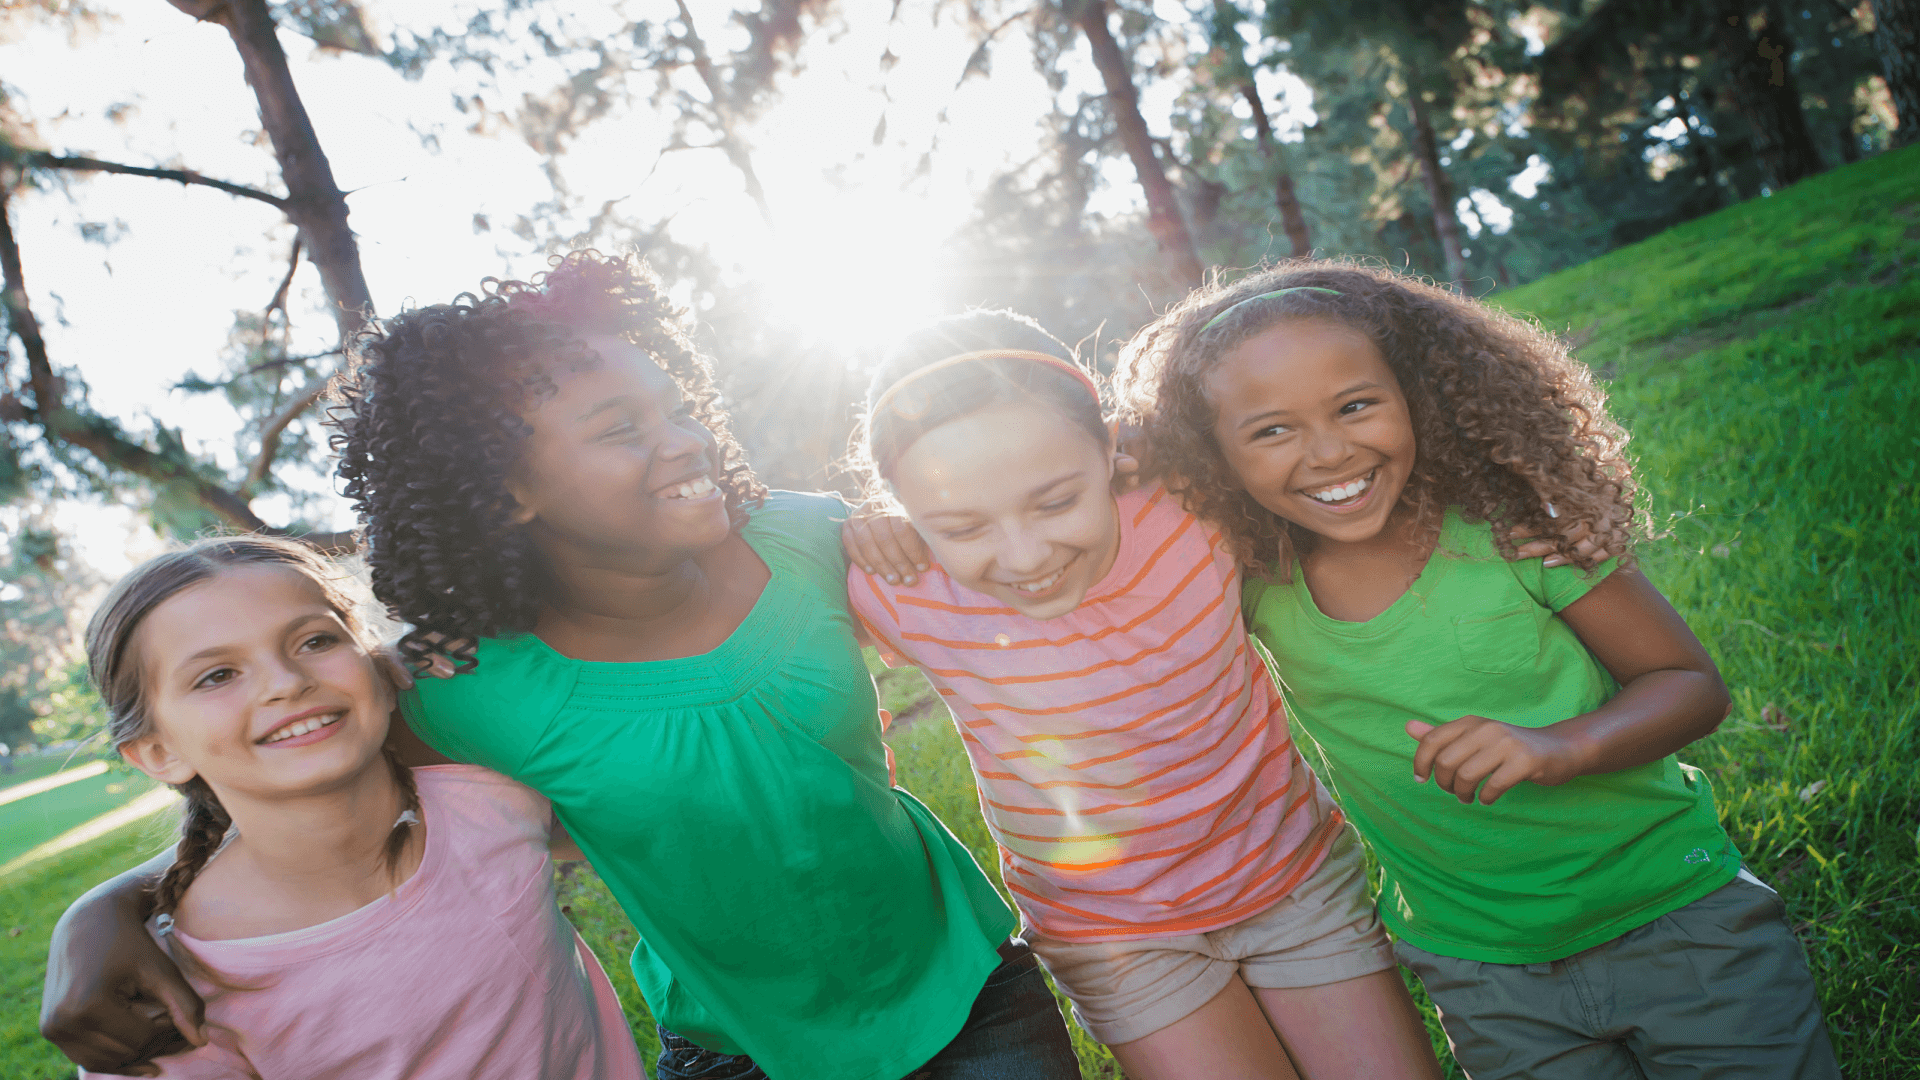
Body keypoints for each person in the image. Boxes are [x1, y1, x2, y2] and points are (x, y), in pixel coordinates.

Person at [41, 252, 1082, 1080]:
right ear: (504, 496)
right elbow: (303, 785)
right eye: (621, 429)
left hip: (967, 991)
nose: (684, 442)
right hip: (737, 1048)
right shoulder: (460, 684)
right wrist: (113, 909)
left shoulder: (809, 543)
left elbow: (1026, 533)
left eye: (678, 409)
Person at [1110, 261, 1839, 1079]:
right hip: (1480, 966)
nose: (1328, 451)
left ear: (1417, 395)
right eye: (1270, 430)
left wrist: (1563, 747)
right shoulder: (1257, 579)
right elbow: (1098, 534)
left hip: (1677, 920)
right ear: (1212, 456)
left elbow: (1689, 686)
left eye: (1356, 406)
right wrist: (1124, 454)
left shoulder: (1516, 531)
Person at [840, 310, 1445, 1080]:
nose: (1026, 556)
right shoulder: (902, 585)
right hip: (1115, 934)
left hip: (1291, 878)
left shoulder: (1194, 504)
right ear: (905, 511)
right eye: (961, 526)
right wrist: (849, 529)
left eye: (1057, 502)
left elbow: (1300, 431)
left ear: (1110, 447)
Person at [68, 535, 644, 1079]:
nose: (286, 682)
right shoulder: (171, 991)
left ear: (376, 661)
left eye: (315, 641)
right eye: (217, 675)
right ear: (158, 752)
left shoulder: (493, 801)